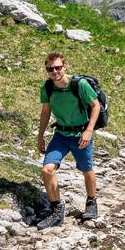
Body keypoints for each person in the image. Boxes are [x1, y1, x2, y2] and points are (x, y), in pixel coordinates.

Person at [35, 52, 99, 228]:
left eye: (58, 67)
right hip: (61, 135)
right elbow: (46, 111)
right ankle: (57, 210)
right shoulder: (47, 87)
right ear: (46, 70)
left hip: (81, 135)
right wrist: (40, 135)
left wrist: (89, 131)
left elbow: (96, 106)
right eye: (50, 69)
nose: (54, 71)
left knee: (87, 169)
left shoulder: (80, 84)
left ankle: (92, 202)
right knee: (47, 170)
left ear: (65, 66)